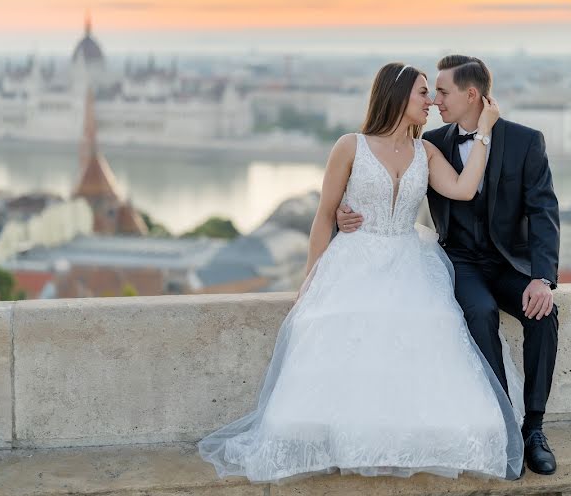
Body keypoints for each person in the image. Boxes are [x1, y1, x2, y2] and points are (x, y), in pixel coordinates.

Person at [198, 62, 524, 483]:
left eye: (432, 93)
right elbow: (322, 215)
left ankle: (400, 445)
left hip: (410, 262)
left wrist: (484, 132)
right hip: (354, 260)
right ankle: (349, 443)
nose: (431, 102)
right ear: (396, 95)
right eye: (423, 93)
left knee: (417, 348)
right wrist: (311, 276)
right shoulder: (349, 146)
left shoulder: (425, 152)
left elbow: (463, 189)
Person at [337, 55, 560, 475]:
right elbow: (381, 175)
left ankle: (533, 429)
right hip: (461, 261)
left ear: (471, 94)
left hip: (511, 264)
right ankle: (502, 424)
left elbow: (544, 212)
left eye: (442, 92)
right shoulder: (431, 143)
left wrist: (542, 278)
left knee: (544, 315)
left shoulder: (526, 141)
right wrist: (342, 213)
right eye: (431, 92)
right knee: (479, 312)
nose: (436, 100)